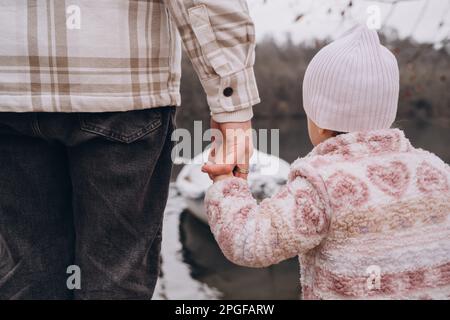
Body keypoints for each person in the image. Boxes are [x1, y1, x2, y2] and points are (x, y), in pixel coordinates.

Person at [0, 0, 258, 299]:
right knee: (116, 284)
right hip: (121, 87)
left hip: (10, 92)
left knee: (28, 281)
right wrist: (232, 104)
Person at [203, 26, 450, 299]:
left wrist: (227, 183)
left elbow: (249, 242)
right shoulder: (437, 171)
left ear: (318, 121)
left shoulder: (322, 186)